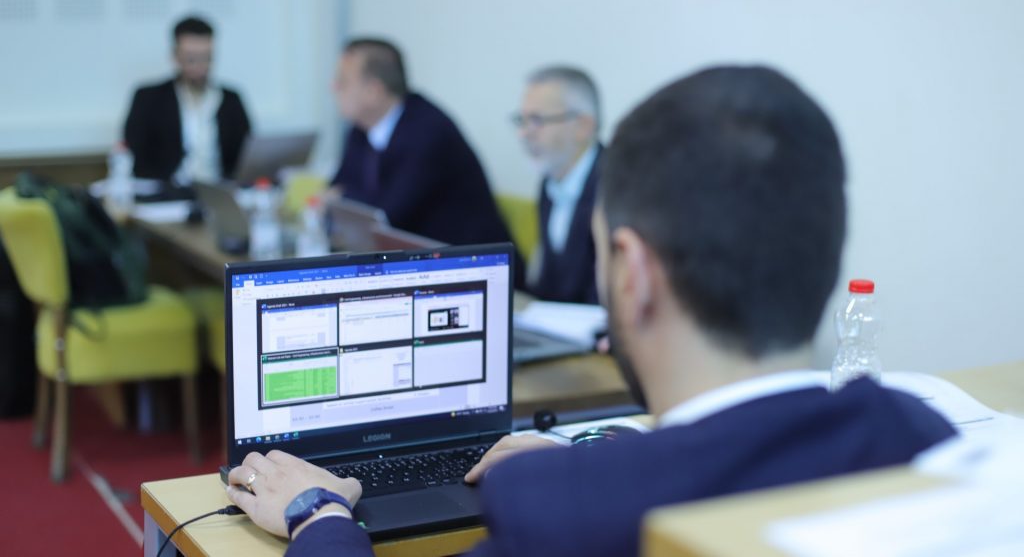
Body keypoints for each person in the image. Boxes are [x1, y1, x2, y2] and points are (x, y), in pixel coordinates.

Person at [226, 66, 956, 556]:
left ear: (631, 272)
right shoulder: (922, 437)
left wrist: (319, 515)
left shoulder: (565, 512)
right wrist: (599, 447)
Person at [330, 38, 512, 247]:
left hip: (472, 258)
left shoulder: (429, 132)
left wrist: (342, 197)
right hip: (411, 256)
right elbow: (338, 188)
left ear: (374, 91)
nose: (333, 87)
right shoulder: (361, 129)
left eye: (342, 81)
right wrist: (341, 198)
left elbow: (386, 217)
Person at [124, 16, 251, 184]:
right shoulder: (149, 99)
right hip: (167, 191)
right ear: (176, 56)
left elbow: (246, 155)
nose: (199, 66)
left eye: (206, 58)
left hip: (218, 190)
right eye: (191, 59)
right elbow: (137, 156)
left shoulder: (230, 100)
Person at [515, 66, 601, 304]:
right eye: (522, 120)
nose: (524, 133)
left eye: (537, 120)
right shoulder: (549, 182)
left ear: (583, 126)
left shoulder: (615, 188)